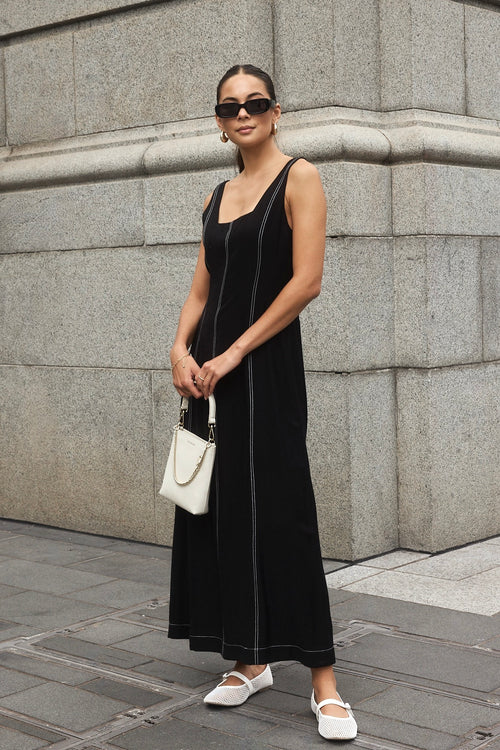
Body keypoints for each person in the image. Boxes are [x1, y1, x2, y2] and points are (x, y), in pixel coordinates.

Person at [168, 63, 357, 741]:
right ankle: (249, 661)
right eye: (228, 107)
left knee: (283, 514)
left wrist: (235, 351)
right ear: (219, 122)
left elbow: (306, 282)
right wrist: (179, 351)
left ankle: (324, 682)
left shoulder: (299, 176)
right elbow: (200, 289)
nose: (242, 113)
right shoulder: (219, 192)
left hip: (262, 368)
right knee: (219, 515)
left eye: (254, 102)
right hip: (208, 377)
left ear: (276, 111)